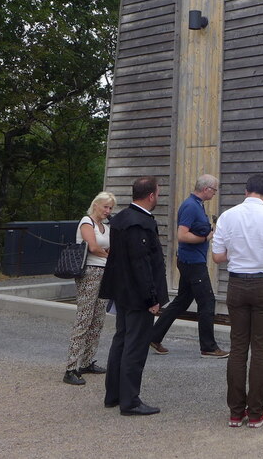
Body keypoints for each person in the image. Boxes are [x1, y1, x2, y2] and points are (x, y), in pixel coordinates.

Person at [212, 173, 263, 428]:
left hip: (236, 283)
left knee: (237, 347)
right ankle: (256, 412)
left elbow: (217, 257)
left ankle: (236, 412)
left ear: (246, 191)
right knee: (260, 349)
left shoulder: (227, 216)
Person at [98, 176, 168, 416]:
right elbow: (142, 264)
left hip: (122, 292)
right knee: (135, 346)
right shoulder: (140, 223)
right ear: (151, 196)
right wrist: (152, 297)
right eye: (158, 193)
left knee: (121, 341)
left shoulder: (122, 219)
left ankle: (114, 394)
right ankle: (130, 401)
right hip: (138, 295)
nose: (158, 197)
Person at [149, 174, 228, 358]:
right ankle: (208, 347)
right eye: (214, 190)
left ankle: (153, 336)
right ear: (206, 189)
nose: (215, 193)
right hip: (192, 262)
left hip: (190, 260)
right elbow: (182, 235)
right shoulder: (191, 206)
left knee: (182, 301)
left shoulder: (197, 205)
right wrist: (205, 237)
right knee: (207, 302)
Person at [63, 191, 115, 385]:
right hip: (89, 273)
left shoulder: (105, 226)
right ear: (96, 205)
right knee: (84, 318)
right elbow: (92, 247)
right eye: (105, 207)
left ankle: (87, 360)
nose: (108, 211)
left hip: (103, 272)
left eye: (110, 208)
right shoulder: (87, 222)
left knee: (97, 318)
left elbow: (107, 247)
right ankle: (71, 367)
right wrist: (110, 256)